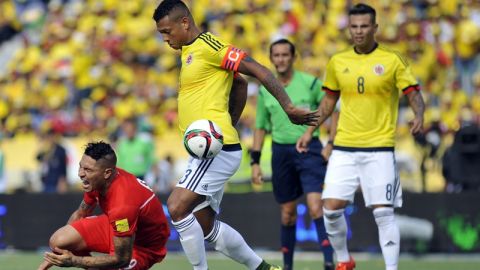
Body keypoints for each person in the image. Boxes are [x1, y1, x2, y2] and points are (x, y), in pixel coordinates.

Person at [152, 1, 318, 270]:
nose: (165, 39)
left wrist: (288, 107)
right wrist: (229, 122)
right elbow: (239, 82)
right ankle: (263, 268)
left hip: (217, 151)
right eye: (162, 34)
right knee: (206, 225)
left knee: (176, 206)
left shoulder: (209, 46)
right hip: (210, 148)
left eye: (167, 31)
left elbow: (259, 70)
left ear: (184, 23)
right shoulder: (189, 51)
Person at [296, 4, 425, 270]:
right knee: (330, 210)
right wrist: (309, 132)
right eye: (354, 26)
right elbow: (327, 104)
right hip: (344, 148)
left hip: (379, 148)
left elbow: (413, 93)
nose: (358, 31)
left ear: (375, 28)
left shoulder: (392, 60)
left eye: (364, 26)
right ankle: (344, 261)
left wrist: (419, 114)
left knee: (383, 213)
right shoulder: (338, 61)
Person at [250, 39, 337, 270]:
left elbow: (332, 108)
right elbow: (260, 126)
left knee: (316, 206)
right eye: (276, 55)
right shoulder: (265, 90)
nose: (280, 59)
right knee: (287, 214)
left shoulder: (310, 84)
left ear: (293, 57)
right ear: (271, 59)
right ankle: (288, 266)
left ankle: (329, 262)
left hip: (310, 150)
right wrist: (255, 162)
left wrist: (330, 143)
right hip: (281, 153)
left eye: (284, 55)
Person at [38, 141, 170, 270]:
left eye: (88, 170)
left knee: (119, 261)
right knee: (59, 241)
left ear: (107, 173)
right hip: (118, 227)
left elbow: (122, 259)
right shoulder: (98, 180)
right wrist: (56, 255)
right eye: (81, 166)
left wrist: (75, 261)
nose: (80, 174)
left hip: (143, 246)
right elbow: (80, 213)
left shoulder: (122, 204)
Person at [36, 129, 68, 193]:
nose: (49, 139)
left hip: (56, 180)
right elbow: (38, 158)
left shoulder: (60, 150)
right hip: (45, 180)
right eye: (48, 137)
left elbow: (63, 166)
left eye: (51, 137)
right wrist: (42, 147)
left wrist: (62, 180)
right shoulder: (45, 149)